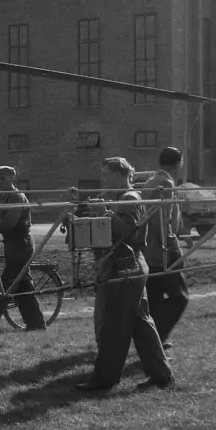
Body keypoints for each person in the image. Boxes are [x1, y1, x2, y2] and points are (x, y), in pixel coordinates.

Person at [75, 157, 174, 393]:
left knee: (112, 324)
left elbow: (128, 231)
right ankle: (161, 375)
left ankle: (105, 377)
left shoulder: (130, 198)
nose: (104, 179)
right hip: (130, 265)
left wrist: (105, 213)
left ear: (120, 174)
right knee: (141, 324)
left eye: (107, 174)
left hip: (124, 266)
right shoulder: (121, 198)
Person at [0, 164, 44, 331]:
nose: (0, 182)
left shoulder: (17, 197)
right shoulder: (1, 198)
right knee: (23, 285)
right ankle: (36, 323)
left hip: (21, 244)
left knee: (5, 284)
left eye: (4, 178)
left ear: (12, 179)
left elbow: (8, 223)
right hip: (11, 245)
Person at [137, 146, 190, 347]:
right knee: (180, 297)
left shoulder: (150, 181)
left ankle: (151, 339)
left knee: (154, 297)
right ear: (178, 164)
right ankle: (158, 336)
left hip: (148, 250)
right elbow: (162, 219)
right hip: (163, 250)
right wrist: (171, 244)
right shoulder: (166, 183)